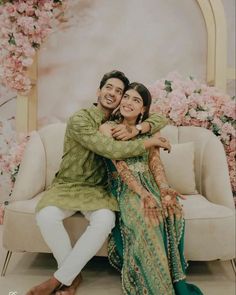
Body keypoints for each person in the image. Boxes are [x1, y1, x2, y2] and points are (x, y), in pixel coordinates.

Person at [26, 70, 170, 295]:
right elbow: (111, 149)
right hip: (69, 185)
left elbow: (159, 117)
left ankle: (61, 278)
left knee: (105, 220)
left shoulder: (117, 122)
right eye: (109, 88)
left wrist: (139, 129)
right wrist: (148, 141)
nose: (113, 93)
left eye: (119, 91)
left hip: (98, 190)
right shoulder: (81, 119)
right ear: (99, 91)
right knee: (46, 216)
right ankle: (69, 277)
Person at [99, 82, 204, 295]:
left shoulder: (149, 129)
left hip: (149, 183)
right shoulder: (107, 128)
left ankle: (171, 281)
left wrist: (164, 189)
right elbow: (120, 165)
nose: (128, 102)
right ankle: (157, 288)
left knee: (170, 210)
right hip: (125, 187)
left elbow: (155, 164)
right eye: (126, 97)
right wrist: (142, 193)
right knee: (146, 219)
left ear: (144, 109)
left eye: (136, 100)